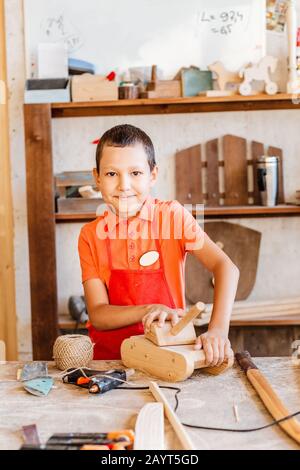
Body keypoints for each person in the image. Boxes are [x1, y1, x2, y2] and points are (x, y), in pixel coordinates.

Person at [78, 124, 239, 365]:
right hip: (110, 363)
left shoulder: (173, 217)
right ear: (97, 178)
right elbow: (99, 314)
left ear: (153, 175)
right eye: (112, 174)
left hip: (170, 357)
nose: (124, 185)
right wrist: (147, 309)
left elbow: (225, 267)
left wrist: (218, 329)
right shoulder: (90, 235)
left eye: (135, 173)